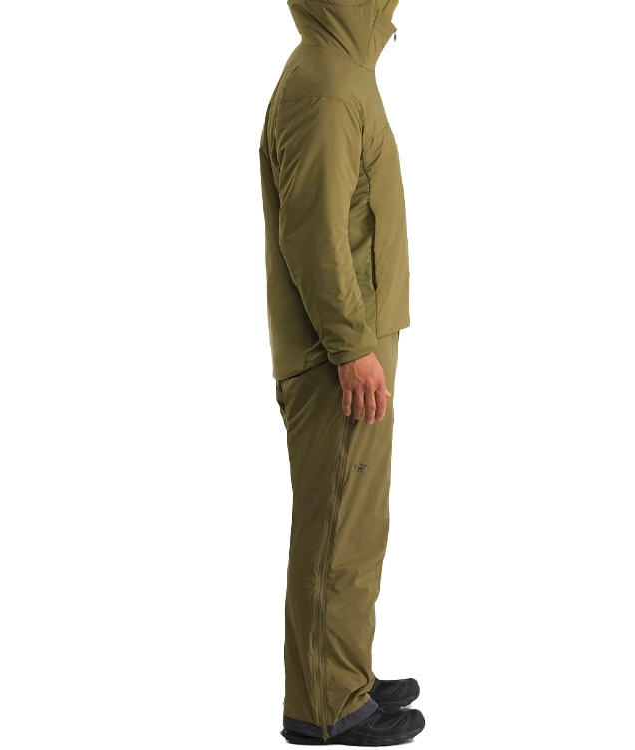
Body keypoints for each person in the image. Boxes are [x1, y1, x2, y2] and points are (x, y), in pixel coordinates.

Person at [258, 0, 424, 744]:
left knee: (353, 525)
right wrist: (353, 347)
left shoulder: (344, 73)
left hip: (354, 343)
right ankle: (327, 707)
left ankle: (343, 670)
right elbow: (314, 234)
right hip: (338, 354)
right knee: (335, 529)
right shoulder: (327, 85)